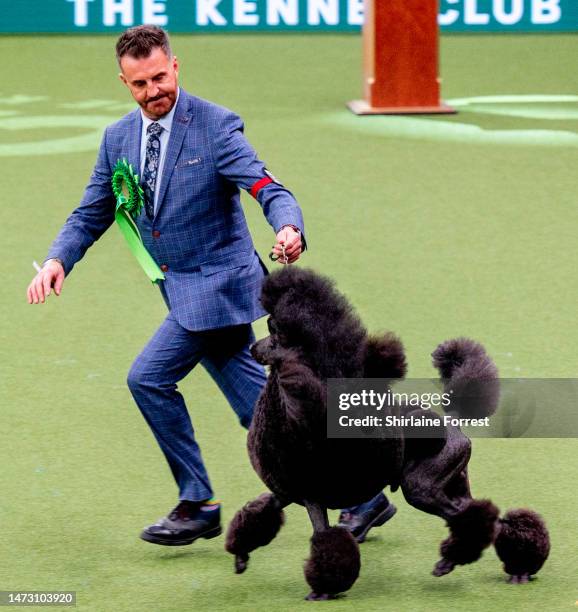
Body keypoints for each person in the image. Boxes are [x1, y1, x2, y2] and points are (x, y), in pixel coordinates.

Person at [26, 25, 393, 546]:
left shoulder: (216, 127)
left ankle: (198, 502)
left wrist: (288, 227)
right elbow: (92, 211)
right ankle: (362, 497)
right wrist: (59, 259)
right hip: (180, 290)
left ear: (175, 66)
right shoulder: (118, 139)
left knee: (148, 379)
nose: (154, 91)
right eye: (140, 84)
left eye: (160, 77)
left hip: (220, 289)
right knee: (260, 410)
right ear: (124, 83)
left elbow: (268, 187)